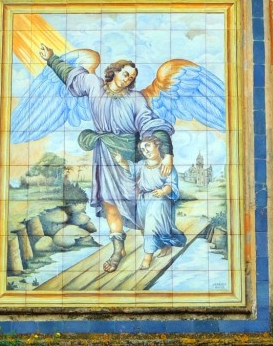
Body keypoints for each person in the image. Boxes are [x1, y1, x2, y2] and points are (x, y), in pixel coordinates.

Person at [39, 45, 174, 273]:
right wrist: (51, 58)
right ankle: (118, 250)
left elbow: (149, 124)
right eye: (125, 73)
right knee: (110, 204)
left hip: (128, 155)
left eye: (131, 77)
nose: (128, 79)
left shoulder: (136, 98)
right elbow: (70, 75)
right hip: (104, 154)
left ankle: (157, 238)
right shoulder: (94, 85)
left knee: (139, 202)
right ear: (115, 70)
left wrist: (167, 152)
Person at [136, 135, 186, 270]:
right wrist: (121, 161)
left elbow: (171, 184)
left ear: (157, 145)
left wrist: (163, 191)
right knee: (146, 226)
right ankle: (165, 245)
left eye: (148, 146)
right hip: (143, 200)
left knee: (151, 225)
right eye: (142, 149)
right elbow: (130, 170)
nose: (145, 151)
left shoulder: (166, 165)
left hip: (160, 198)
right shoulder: (141, 164)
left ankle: (147, 257)